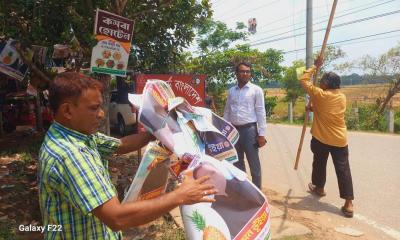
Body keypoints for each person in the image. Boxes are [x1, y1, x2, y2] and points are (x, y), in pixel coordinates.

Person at [38, 72, 217, 239]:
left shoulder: (78, 135)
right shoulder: (72, 154)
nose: (101, 114)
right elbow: (117, 218)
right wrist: (180, 195)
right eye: (94, 108)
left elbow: (121, 144)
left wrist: (159, 130)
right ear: (67, 111)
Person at [299, 57, 354, 218]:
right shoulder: (341, 97)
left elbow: (303, 79)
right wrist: (314, 108)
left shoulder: (319, 94)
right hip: (340, 140)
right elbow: (327, 110)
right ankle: (348, 202)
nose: (320, 83)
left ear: (326, 85)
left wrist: (315, 66)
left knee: (319, 163)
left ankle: (319, 187)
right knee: (343, 170)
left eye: (322, 81)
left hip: (321, 139)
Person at [223, 62, 267, 189]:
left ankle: (258, 191)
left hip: (249, 131)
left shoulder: (256, 90)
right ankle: (243, 189)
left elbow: (261, 112)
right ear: (236, 74)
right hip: (233, 131)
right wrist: (224, 130)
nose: (245, 74)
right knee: (237, 162)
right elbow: (227, 111)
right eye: (242, 71)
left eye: (248, 71)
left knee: (254, 163)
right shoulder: (231, 91)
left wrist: (262, 134)